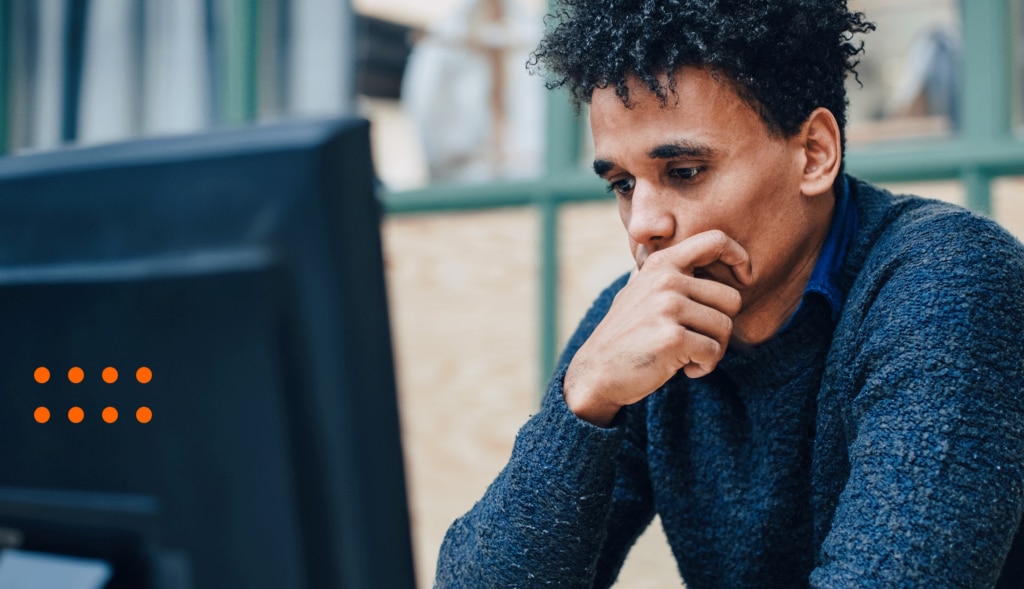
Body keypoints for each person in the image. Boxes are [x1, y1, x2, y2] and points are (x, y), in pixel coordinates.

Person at [435, 0, 1024, 587]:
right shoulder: (644, 324)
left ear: (814, 153)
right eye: (621, 184)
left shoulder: (948, 278)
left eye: (685, 171)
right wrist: (583, 399)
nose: (643, 224)